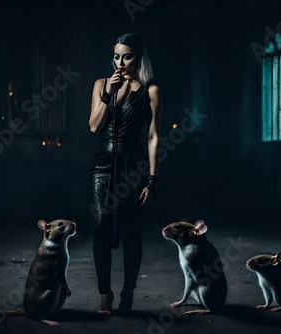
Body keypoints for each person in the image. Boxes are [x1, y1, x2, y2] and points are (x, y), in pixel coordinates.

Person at [88, 33, 162, 316]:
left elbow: (154, 136)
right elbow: (94, 127)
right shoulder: (101, 84)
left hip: (133, 165)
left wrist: (153, 179)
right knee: (102, 228)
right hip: (102, 165)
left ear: (139, 57)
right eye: (117, 56)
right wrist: (109, 94)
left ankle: (128, 290)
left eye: (127, 56)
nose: (120, 62)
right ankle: (104, 295)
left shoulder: (150, 90)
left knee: (131, 230)